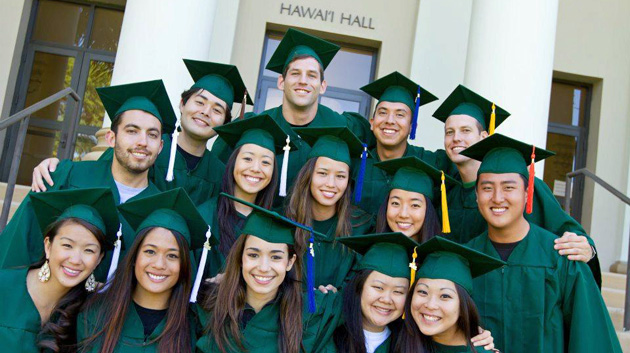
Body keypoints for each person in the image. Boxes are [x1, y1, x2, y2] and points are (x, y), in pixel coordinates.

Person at [460, 134, 621, 352]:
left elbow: (589, 338)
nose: (497, 198)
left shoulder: (561, 259)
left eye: (509, 187)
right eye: (487, 188)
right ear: (477, 195)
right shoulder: (464, 260)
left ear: (528, 194)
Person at [432, 85, 601, 285]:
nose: (456, 138)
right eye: (449, 132)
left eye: (465, 130)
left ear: (484, 136)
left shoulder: (526, 188)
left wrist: (588, 248)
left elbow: (567, 231)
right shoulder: (446, 193)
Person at [0, 80, 170, 277]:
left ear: (160, 147)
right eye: (132, 131)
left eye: (152, 135)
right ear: (111, 139)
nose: (142, 142)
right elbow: (19, 243)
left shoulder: (160, 208)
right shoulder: (66, 176)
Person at [32, 60, 252, 205]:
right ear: (182, 104)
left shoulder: (219, 173)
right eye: (200, 102)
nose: (205, 112)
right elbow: (99, 175)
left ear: (224, 122)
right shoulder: (145, 147)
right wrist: (57, 169)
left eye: (217, 110)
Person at [210, 29, 371, 205]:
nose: (303, 81)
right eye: (295, 73)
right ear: (281, 82)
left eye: (311, 75)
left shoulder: (344, 126)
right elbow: (217, 172)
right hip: (262, 227)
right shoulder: (257, 127)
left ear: (322, 86)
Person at [196, 194, 339, 353]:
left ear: (290, 262)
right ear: (240, 257)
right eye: (253, 255)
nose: (264, 267)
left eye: (276, 257)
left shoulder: (309, 315)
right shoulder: (209, 305)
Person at [76, 188, 213, 353]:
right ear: (134, 257)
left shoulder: (196, 328)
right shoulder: (94, 315)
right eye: (150, 251)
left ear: (183, 265)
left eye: (172, 255)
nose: (159, 264)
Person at [0, 188, 118, 352]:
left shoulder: (89, 314)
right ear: (48, 246)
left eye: (89, 250)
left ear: (99, 259)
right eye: (67, 245)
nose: (75, 260)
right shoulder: (3, 286)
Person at [196, 113, 296, 279]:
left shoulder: (276, 224)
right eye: (248, 159)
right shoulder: (205, 216)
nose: (256, 168)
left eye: (265, 162)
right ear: (233, 162)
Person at [284, 126, 374, 292]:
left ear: (348, 182)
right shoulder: (284, 222)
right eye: (323, 173)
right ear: (308, 175)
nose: (331, 184)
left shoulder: (361, 228)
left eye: (340, 176)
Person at [354, 72, 454, 215]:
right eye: (383, 112)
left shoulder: (431, 163)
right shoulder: (356, 163)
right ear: (372, 123)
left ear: (412, 127)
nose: (390, 120)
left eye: (400, 114)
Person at [396, 236, 505, 353]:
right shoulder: (400, 341)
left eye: (445, 296)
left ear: (463, 306)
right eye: (422, 292)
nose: (430, 305)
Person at [373, 156, 458, 243]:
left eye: (415, 205)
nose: (403, 214)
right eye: (395, 203)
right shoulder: (371, 253)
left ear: (428, 210)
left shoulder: (441, 256)